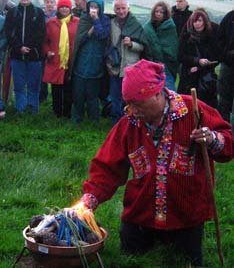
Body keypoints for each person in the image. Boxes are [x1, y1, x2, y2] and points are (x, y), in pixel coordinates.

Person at [71, 59, 233, 267]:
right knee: (132, 261)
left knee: (186, 263)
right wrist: (88, 201)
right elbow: (107, 168)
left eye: (138, 103)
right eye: (128, 104)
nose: (133, 110)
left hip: (186, 215)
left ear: (158, 93)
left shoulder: (193, 110)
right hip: (140, 216)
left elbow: (228, 144)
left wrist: (211, 139)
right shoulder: (129, 124)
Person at [107, 0, 152, 125]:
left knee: (129, 97)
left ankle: (129, 122)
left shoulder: (135, 25)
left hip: (130, 68)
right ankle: (116, 123)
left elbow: (143, 47)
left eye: (123, 8)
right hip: (114, 67)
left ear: (128, 8)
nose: (121, 11)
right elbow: (107, 45)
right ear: (114, 9)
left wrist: (132, 44)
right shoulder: (111, 23)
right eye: (118, 8)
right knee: (115, 96)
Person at [4, 0, 46, 114]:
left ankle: (33, 110)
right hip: (17, 56)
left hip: (34, 55)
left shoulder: (38, 12)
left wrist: (28, 46)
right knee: (19, 85)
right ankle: (20, 110)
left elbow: (40, 33)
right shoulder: (12, 12)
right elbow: (9, 32)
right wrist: (19, 47)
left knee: (34, 85)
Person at [72, 0, 110, 122]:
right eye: (91, 6)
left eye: (96, 7)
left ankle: (94, 119)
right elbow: (79, 40)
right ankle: (77, 118)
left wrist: (96, 20)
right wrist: (88, 33)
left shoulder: (105, 20)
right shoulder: (84, 19)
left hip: (96, 62)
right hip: (82, 62)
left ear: (101, 8)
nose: (93, 9)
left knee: (92, 94)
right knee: (78, 93)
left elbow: (102, 36)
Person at [43, 0, 79, 118]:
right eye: (62, 7)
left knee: (69, 88)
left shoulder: (77, 22)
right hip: (55, 61)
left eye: (66, 7)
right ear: (58, 8)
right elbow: (44, 41)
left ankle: (67, 113)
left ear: (70, 9)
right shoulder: (51, 23)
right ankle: (57, 113)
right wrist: (47, 52)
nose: (64, 9)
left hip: (71, 61)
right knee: (56, 89)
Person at [178, 9, 221, 108]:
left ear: (205, 22)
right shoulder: (186, 35)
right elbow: (181, 56)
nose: (197, 23)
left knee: (207, 108)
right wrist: (196, 61)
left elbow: (217, 57)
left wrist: (200, 67)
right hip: (188, 77)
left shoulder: (212, 36)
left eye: (200, 21)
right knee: (187, 106)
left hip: (206, 79)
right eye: (194, 21)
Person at [143, 1, 178, 91]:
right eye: (156, 11)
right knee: (153, 92)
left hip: (166, 65)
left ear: (165, 14)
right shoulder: (147, 27)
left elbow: (172, 47)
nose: (158, 14)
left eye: (161, 12)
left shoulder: (170, 27)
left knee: (169, 91)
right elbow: (144, 43)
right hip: (151, 63)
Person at [218, 9, 234, 133]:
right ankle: (225, 133)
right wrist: (227, 55)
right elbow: (219, 42)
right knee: (224, 102)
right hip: (228, 66)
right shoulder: (229, 18)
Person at [39, 0, 57, 104]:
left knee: (55, 72)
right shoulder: (41, 15)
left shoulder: (58, 15)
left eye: (51, 1)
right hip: (43, 46)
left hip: (55, 47)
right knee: (42, 73)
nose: (49, 4)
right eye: (47, 2)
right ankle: (42, 96)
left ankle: (55, 97)